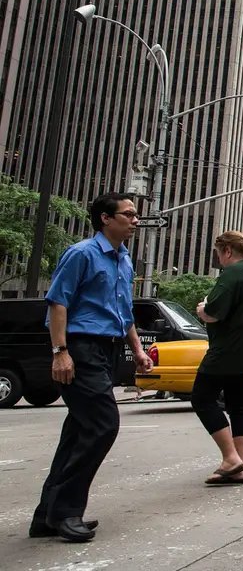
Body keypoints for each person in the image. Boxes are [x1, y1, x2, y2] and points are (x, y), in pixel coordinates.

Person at [31, 193, 152, 542]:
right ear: (104, 218)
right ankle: (66, 511)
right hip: (80, 347)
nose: (135, 220)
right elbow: (57, 303)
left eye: (135, 215)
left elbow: (123, 311)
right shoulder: (82, 253)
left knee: (78, 432)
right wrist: (60, 352)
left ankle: (46, 516)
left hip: (106, 348)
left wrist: (137, 350)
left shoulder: (125, 259)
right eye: (128, 214)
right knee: (103, 425)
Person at [192, 231, 243, 485]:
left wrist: (202, 309)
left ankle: (230, 458)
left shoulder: (233, 273)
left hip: (228, 349)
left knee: (202, 398)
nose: (219, 259)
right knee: (238, 403)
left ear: (227, 250)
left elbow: (214, 311)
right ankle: (238, 465)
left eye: (219, 253)